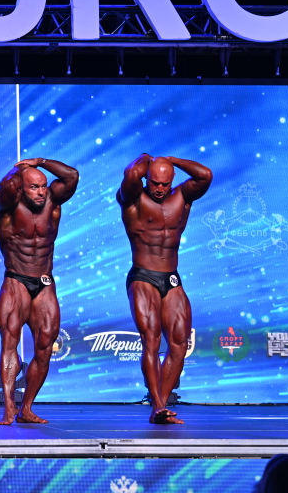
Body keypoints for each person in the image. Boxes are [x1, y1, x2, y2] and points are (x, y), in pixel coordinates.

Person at [118, 154, 212, 424]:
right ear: (147, 178)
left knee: (180, 343)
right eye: (155, 183)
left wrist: (171, 159)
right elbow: (131, 175)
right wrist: (145, 159)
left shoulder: (183, 196)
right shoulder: (133, 199)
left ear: (173, 180)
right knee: (151, 338)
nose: (159, 189)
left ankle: (161, 403)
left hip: (171, 277)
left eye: (165, 184)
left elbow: (205, 175)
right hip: (142, 276)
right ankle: (157, 404)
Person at [0, 157, 79, 425]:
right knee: (10, 343)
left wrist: (41, 162)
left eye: (43, 186)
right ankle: (9, 404)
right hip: (16, 280)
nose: (41, 192)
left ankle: (27, 408)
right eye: (34, 187)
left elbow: (72, 176)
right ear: (21, 188)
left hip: (44, 282)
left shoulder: (52, 201)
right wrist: (19, 169)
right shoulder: (8, 205)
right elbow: (6, 185)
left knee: (44, 347)